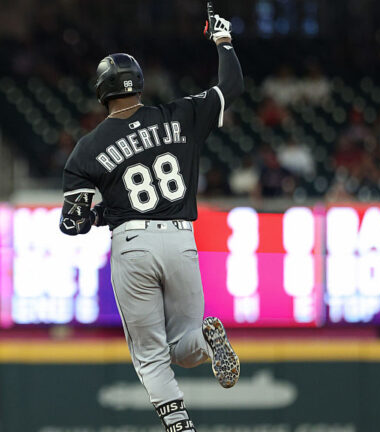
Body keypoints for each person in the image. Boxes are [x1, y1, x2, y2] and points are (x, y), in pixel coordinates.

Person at [58, 4, 242, 431]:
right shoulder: (180, 114)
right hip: (181, 238)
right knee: (185, 344)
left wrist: (101, 213)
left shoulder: (87, 148)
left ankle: (179, 426)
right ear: (139, 85)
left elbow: (73, 223)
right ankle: (208, 340)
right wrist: (223, 39)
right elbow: (231, 86)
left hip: (133, 243)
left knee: (152, 354)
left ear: (102, 91)